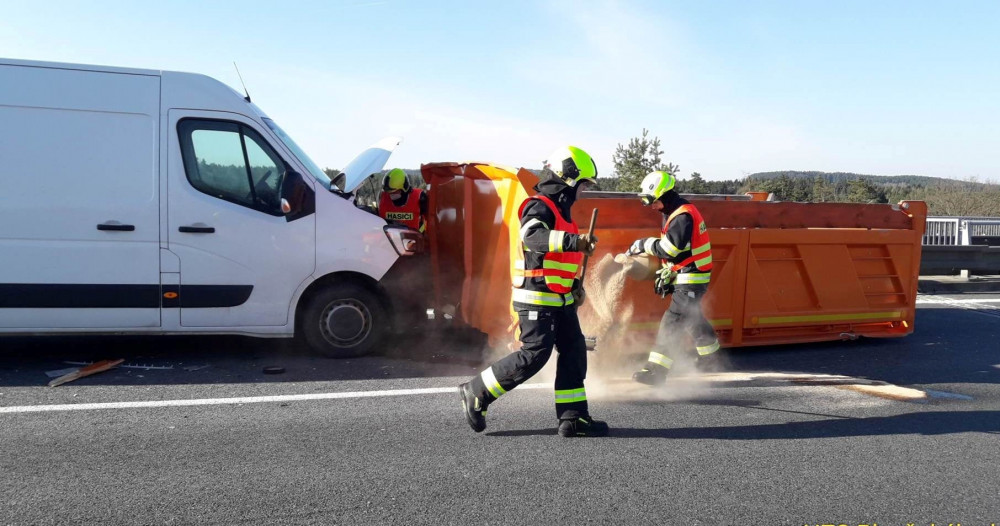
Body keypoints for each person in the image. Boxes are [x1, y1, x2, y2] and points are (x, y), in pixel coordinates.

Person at [458, 146, 609, 438]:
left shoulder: (562, 213)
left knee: (575, 351)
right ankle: (477, 391)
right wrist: (574, 242)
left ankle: (573, 417)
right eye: (582, 185)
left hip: (559, 299)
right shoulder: (538, 205)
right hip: (536, 297)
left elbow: (556, 262)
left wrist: (574, 287)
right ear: (568, 179)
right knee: (535, 355)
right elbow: (533, 237)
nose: (583, 192)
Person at [628, 171, 721, 386]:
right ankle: (710, 358)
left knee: (673, 321)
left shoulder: (682, 216)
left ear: (664, 195)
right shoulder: (674, 211)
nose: (651, 206)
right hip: (688, 275)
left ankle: (656, 372)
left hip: (691, 277)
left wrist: (642, 244)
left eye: (653, 201)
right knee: (692, 318)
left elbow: (670, 249)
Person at [378, 168, 427, 233]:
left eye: (394, 192)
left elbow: (428, 221)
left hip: (414, 240)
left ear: (404, 188)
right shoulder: (382, 197)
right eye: (389, 192)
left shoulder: (419, 197)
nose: (391, 195)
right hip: (388, 240)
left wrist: (420, 235)